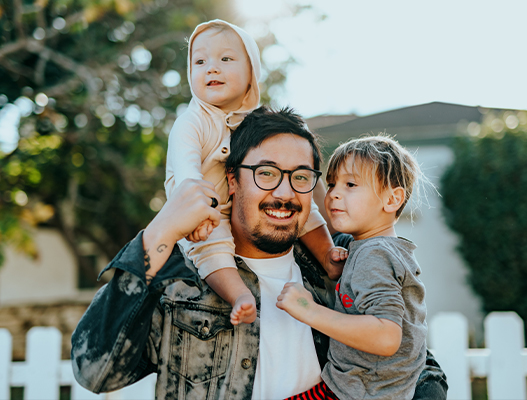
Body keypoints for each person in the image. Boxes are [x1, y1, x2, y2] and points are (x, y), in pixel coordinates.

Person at [71, 107, 448, 399]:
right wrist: (161, 229)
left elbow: (416, 362)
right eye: (266, 173)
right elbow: (96, 371)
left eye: (300, 177)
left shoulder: (338, 263)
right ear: (232, 180)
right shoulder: (179, 277)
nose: (284, 193)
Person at [165, 19, 345, 326]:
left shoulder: (256, 123)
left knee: (306, 208)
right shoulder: (192, 122)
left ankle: (328, 256)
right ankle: (239, 295)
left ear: (252, 73)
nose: (212, 68)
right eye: (200, 61)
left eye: (225, 59)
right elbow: (186, 175)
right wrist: (197, 215)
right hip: (202, 211)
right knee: (213, 250)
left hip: (228, 206)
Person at [278, 136, 431, 399]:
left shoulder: (373, 255)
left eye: (350, 184)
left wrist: (308, 310)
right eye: (331, 183)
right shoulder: (379, 249)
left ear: (392, 199)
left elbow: (386, 337)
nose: (334, 193)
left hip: (357, 391)